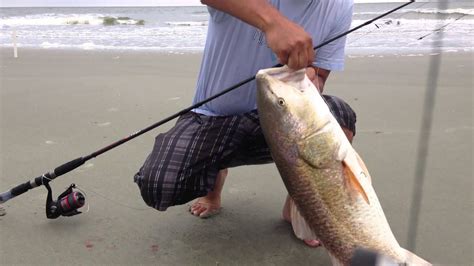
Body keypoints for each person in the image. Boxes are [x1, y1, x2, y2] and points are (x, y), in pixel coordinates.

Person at [134, 0, 355, 247]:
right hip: (213, 117)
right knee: (158, 185)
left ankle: (298, 204)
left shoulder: (339, 6)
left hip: (280, 118)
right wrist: (273, 23)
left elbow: (321, 74)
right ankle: (213, 187)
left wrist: (313, 78)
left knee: (339, 117)